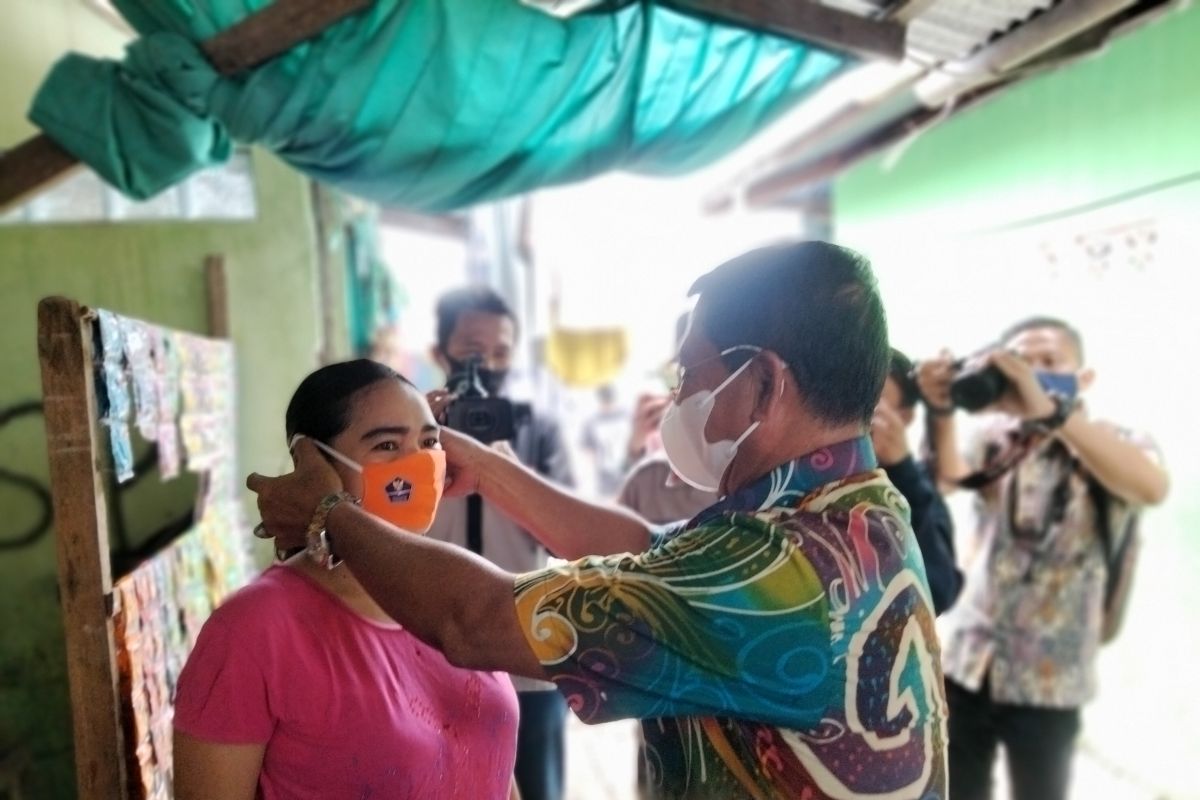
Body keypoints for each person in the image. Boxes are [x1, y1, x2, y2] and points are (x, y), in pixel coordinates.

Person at [249, 241, 948, 799]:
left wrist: (330, 513)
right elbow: (645, 549)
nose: (678, 398)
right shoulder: (853, 510)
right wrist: (488, 469)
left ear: (763, 382)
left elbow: (475, 620)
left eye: (689, 377)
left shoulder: (780, 572)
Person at [172, 360, 520, 800]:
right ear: (314, 465)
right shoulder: (251, 632)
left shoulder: (460, 593)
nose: (418, 463)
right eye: (388, 444)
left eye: (429, 442)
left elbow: (494, 766)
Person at [916, 317, 1169, 800]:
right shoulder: (996, 436)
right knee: (959, 788)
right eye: (1020, 363)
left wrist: (1053, 413)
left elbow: (1151, 487)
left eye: (1049, 362)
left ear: (1084, 377)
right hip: (969, 659)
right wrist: (942, 408)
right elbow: (948, 478)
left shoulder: (1114, 441)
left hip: (1052, 676)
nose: (1030, 375)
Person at [425, 286, 573, 800]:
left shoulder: (538, 431)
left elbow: (571, 544)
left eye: (502, 351)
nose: (488, 362)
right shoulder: (413, 433)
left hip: (526, 653)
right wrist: (415, 441)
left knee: (537, 787)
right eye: (472, 348)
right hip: (429, 652)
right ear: (439, 353)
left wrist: (509, 476)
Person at [870, 348, 962, 614]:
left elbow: (938, 590)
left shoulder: (917, 486)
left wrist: (902, 469)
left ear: (905, 416)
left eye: (872, 400)